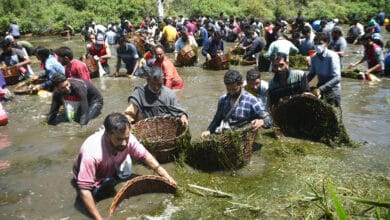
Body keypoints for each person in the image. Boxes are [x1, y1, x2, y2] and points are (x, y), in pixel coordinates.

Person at [72, 112, 177, 220]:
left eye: (126, 138)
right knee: (87, 199)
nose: (124, 143)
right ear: (107, 135)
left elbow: (146, 156)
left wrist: (167, 176)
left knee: (119, 175)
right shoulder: (92, 152)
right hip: (90, 174)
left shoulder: (128, 140)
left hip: (111, 165)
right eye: (119, 139)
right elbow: (84, 189)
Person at [201, 70, 271, 136]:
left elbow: (269, 119)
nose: (231, 92)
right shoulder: (223, 100)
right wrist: (209, 130)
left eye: (234, 89)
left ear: (241, 84)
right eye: (228, 89)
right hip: (226, 135)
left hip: (244, 136)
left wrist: (262, 122)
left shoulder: (252, 101)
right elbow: (217, 119)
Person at [124, 65, 188, 126]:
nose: (156, 87)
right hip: (145, 129)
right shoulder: (139, 93)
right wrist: (127, 121)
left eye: (159, 84)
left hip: (165, 130)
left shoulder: (169, 94)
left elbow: (178, 111)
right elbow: (129, 113)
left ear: (163, 81)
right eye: (153, 84)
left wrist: (183, 116)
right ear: (148, 80)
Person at [308, 33, 341, 107]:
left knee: (333, 114)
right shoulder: (314, 57)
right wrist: (303, 83)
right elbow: (311, 74)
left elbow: (337, 78)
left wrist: (321, 89)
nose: (317, 46)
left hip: (333, 90)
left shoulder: (332, 56)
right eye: (315, 43)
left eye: (320, 43)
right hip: (320, 88)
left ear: (326, 44)